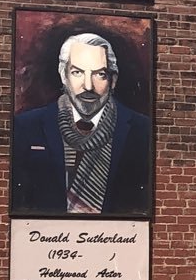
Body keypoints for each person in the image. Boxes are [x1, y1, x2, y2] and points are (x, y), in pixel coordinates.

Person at [10, 32, 152, 217]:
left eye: (99, 74)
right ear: (63, 75)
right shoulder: (26, 126)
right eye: (77, 72)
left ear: (113, 79)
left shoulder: (142, 130)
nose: (88, 86)